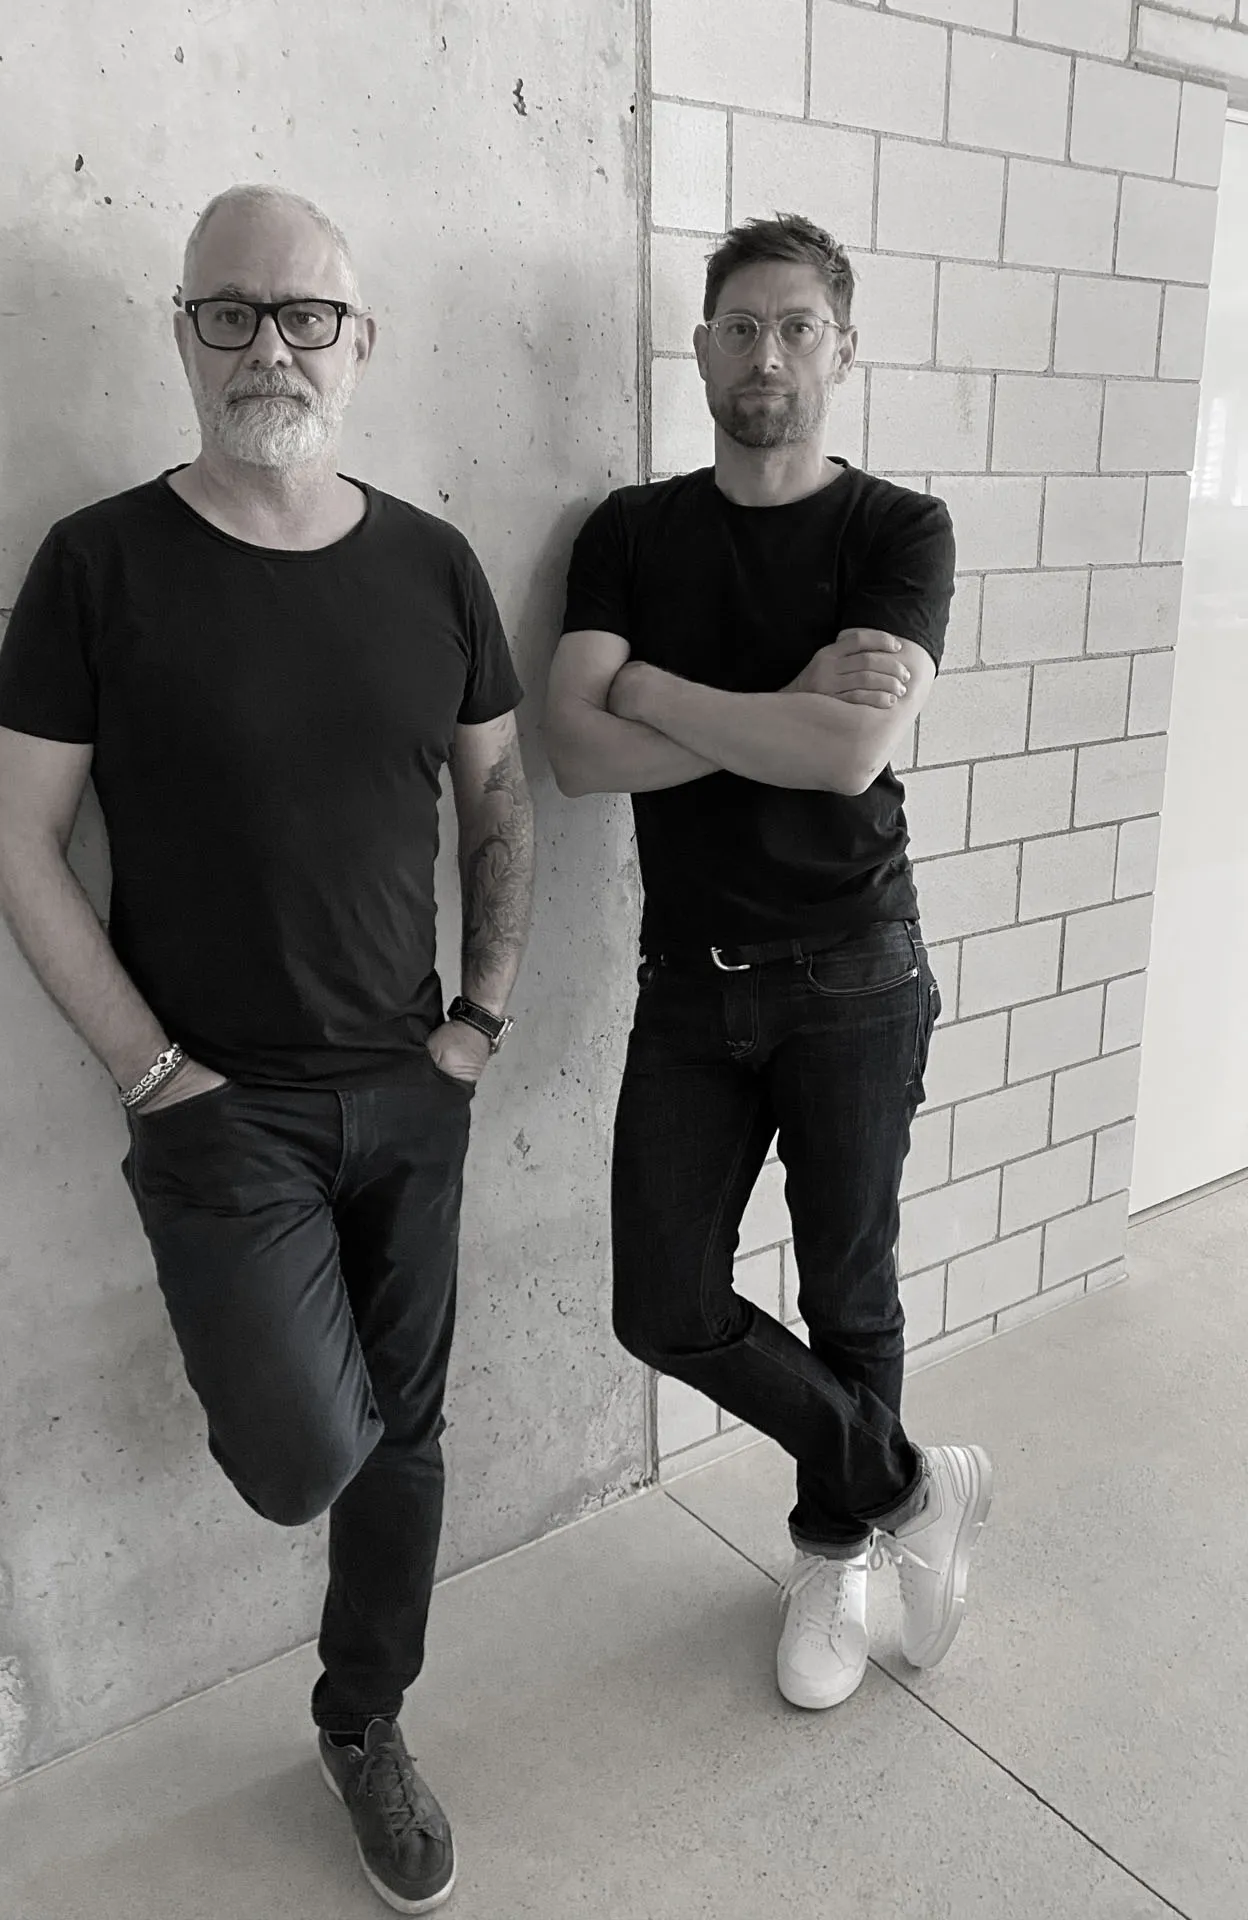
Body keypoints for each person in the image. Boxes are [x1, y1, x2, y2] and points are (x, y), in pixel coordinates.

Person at [0, 183, 533, 1914]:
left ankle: (363, 1723)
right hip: (222, 1109)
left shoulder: (433, 563)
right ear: (183, 333)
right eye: (230, 312)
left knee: (413, 1437)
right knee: (304, 1460)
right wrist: (154, 1075)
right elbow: (13, 840)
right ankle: (342, 1550)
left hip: (415, 1082)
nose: (268, 347)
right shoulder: (98, 564)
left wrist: (478, 1018)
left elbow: (500, 796)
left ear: (360, 344)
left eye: (305, 317)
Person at [545, 213, 991, 1715]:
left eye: (799, 327)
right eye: (740, 326)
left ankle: (831, 1552)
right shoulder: (628, 532)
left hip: (856, 966)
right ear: (700, 350)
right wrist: (773, 700)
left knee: (850, 1286)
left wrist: (658, 688)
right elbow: (573, 752)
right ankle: (910, 1483)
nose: (767, 355)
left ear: (842, 351)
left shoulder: (899, 531)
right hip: (689, 980)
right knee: (662, 1301)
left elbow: (847, 750)